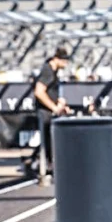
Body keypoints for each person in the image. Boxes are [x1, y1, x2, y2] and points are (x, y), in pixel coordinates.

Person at [28, 47, 71, 176]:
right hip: (45, 112)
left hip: (49, 110)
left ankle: (37, 162)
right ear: (56, 59)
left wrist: (60, 103)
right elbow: (39, 91)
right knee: (48, 140)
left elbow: (50, 92)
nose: (66, 64)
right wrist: (54, 107)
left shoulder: (53, 71)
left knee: (49, 139)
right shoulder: (48, 71)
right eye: (64, 60)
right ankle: (36, 163)